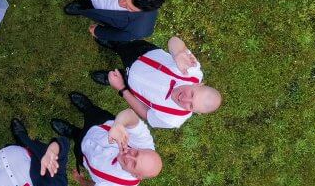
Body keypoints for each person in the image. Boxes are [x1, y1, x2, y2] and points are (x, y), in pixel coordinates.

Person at [50, 92, 162, 186]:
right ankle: (87, 107)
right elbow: (130, 115)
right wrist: (118, 124)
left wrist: (80, 179)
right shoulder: (145, 144)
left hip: (85, 153)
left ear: (137, 176)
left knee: (77, 138)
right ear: (143, 149)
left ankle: (72, 132)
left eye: (133, 164)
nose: (128, 155)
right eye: (136, 153)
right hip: (101, 124)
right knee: (92, 112)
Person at [90, 36, 222, 129]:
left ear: (196, 112)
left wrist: (122, 89)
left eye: (191, 106)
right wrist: (178, 53)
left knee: (121, 79)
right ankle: (116, 45)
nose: (184, 99)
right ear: (198, 84)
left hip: (132, 86)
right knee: (124, 47)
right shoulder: (191, 70)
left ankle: (118, 78)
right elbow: (174, 41)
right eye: (192, 94)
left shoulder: (172, 120)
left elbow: (146, 113)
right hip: (141, 54)